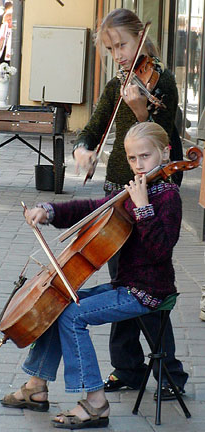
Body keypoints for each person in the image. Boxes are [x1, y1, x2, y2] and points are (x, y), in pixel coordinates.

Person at [0, 121, 184, 429]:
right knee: (58, 303)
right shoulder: (138, 188)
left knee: (73, 315)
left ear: (164, 154)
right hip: (127, 285)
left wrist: (142, 209)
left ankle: (96, 403)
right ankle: (36, 386)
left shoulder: (167, 197)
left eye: (146, 157)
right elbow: (94, 207)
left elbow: (160, 251)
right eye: (132, 159)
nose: (139, 165)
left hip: (148, 292)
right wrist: (51, 211)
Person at [72, 8, 187, 400]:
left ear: (140, 36)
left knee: (143, 282)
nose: (118, 54)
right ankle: (128, 368)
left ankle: (171, 373)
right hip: (116, 191)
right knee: (122, 284)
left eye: (121, 44)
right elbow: (93, 125)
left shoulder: (163, 82)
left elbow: (160, 135)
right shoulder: (116, 83)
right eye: (110, 48)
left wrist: (140, 108)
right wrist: (83, 148)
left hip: (151, 190)